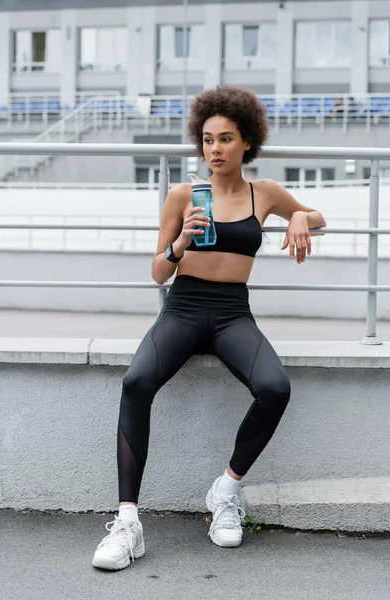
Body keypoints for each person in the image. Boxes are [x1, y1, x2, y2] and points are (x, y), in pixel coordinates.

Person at [92, 85, 327, 571]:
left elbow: (318, 215)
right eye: (207, 140)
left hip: (231, 313)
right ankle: (128, 522)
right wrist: (179, 243)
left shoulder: (264, 193)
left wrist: (301, 215)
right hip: (182, 307)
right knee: (136, 382)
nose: (214, 149)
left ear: (246, 143)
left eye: (225, 139)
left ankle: (225, 491)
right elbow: (158, 271)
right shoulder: (183, 195)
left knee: (275, 387)